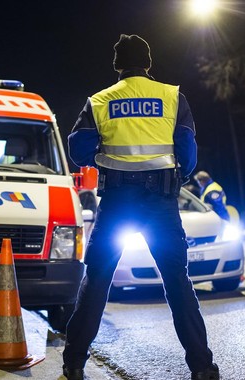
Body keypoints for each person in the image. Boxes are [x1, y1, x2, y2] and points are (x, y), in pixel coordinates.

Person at [63, 34, 219, 380]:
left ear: (117, 66)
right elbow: (188, 153)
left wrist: (105, 152)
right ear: (148, 63)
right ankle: (202, 368)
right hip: (160, 204)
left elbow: (78, 150)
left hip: (118, 203)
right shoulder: (172, 95)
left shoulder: (100, 101)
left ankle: (73, 362)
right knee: (178, 284)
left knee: (98, 280)